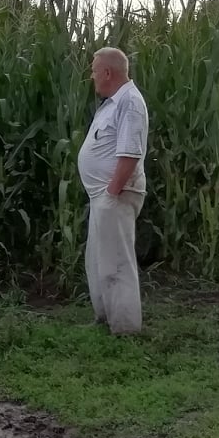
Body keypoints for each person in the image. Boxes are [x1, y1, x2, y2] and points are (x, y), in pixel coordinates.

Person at [77, 46, 148, 334]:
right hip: (103, 197)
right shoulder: (113, 103)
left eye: (94, 71)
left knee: (116, 262)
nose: (92, 77)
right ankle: (105, 318)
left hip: (114, 196)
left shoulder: (129, 102)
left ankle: (126, 328)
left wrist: (112, 191)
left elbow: (130, 153)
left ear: (107, 72)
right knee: (99, 260)